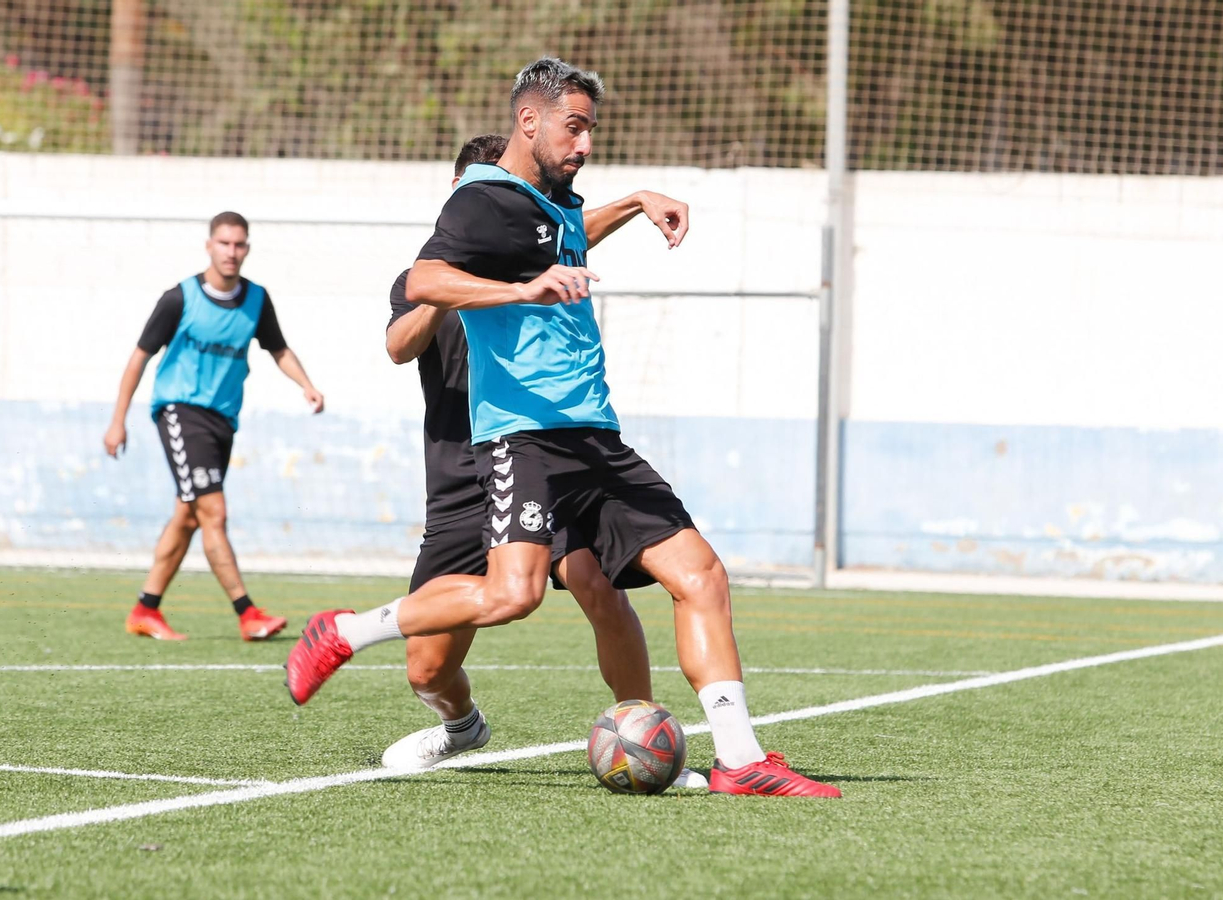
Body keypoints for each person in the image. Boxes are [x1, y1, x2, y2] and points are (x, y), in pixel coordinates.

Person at [288, 59, 839, 798]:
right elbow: (420, 285)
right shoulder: (482, 199)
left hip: (595, 438)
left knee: (699, 574)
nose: (585, 142)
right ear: (530, 122)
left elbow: (571, 233)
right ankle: (346, 633)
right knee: (511, 597)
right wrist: (518, 289)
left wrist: (638, 201)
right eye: (574, 127)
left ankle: (740, 758)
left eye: (590, 129)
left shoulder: (551, 206)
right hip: (525, 441)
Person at [381, 134, 703, 778]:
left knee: (600, 588)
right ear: (463, 197)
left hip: (537, 461)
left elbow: (573, 230)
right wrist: (459, 291)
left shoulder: (542, 262)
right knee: (426, 665)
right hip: (460, 483)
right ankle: (461, 725)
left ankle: (643, 732)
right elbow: (398, 346)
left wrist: (637, 202)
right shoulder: (430, 275)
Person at [104, 211, 324, 642]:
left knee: (187, 517)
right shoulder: (180, 298)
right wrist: (118, 422)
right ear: (209, 245)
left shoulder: (257, 299)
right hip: (180, 412)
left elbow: (278, 349)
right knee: (213, 512)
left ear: (247, 248)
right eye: (224, 243)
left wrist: (307, 386)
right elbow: (139, 357)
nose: (232, 252)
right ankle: (247, 613)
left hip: (222, 420)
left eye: (239, 244)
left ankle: (145, 609)